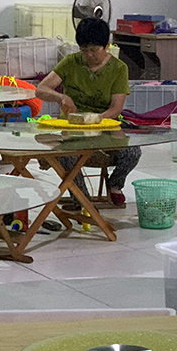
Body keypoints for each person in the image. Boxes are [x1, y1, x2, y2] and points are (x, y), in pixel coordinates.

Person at [35, 17, 141, 209]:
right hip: (72, 127)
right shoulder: (70, 63)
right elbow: (41, 89)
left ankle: (115, 185)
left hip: (104, 125)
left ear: (107, 46)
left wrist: (97, 118)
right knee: (64, 154)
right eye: (84, 50)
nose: (89, 55)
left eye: (94, 50)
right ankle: (81, 199)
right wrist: (62, 98)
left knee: (133, 151)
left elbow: (116, 108)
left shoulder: (118, 69)